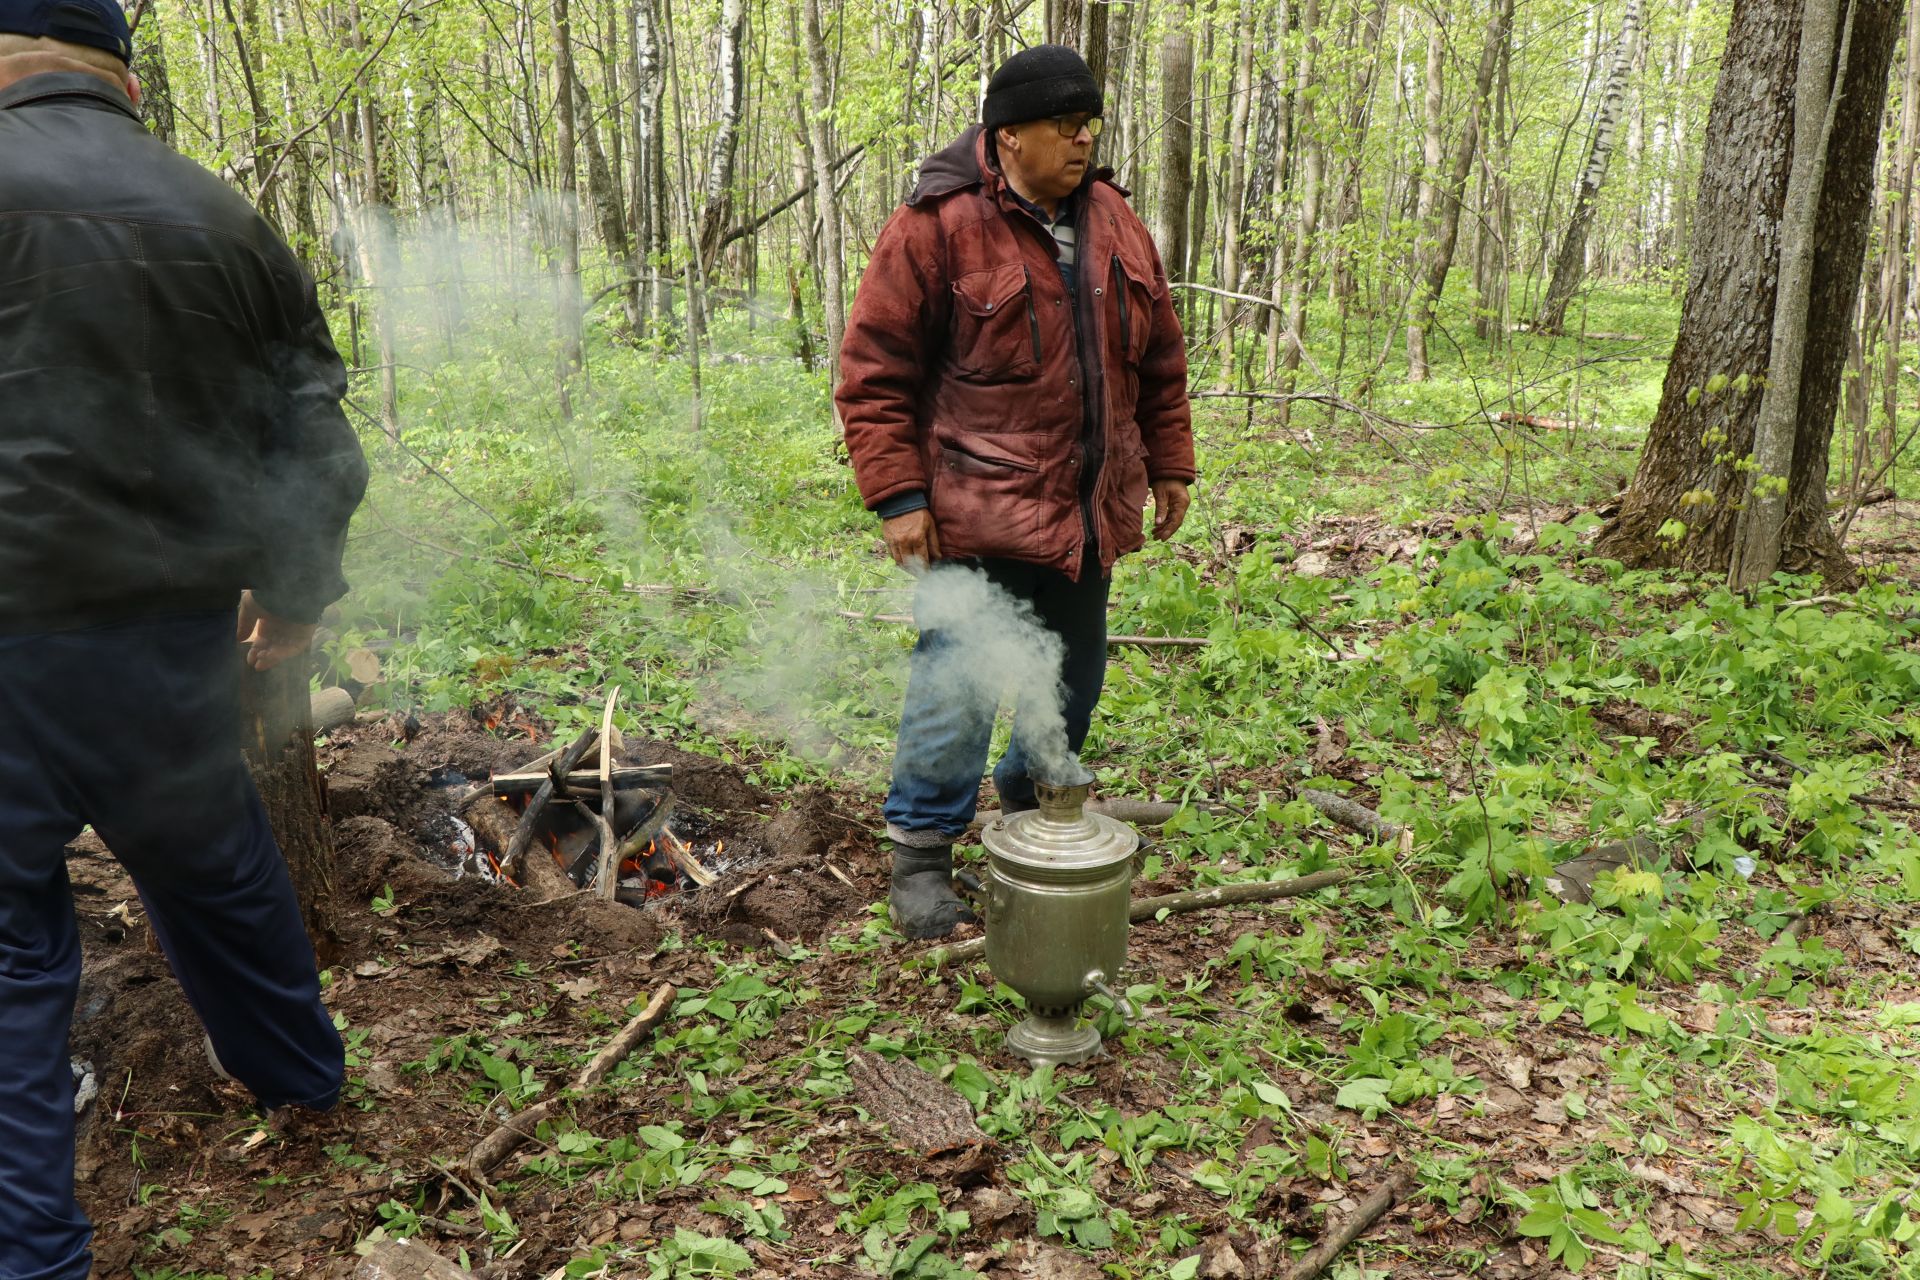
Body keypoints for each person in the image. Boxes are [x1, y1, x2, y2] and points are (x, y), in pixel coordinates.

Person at [0, 5, 369, 1275]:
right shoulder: (223, 213)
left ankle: (31, 1251)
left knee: (7, 942)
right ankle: (301, 1076)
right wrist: (299, 587)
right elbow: (311, 427)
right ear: (126, 75)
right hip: (165, 632)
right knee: (209, 857)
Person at [838, 45, 1195, 940]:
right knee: (955, 688)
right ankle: (922, 856)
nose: (1081, 143)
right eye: (1063, 128)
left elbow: (1160, 361)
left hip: (1087, 514)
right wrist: (897, 496)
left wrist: (1171, 462)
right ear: (1007, 139)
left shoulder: (1117, 221)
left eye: (1089, 128)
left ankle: (1030, 802)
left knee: (1074, 682)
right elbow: (874, 374)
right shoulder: (933, 226)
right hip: (972, 513)